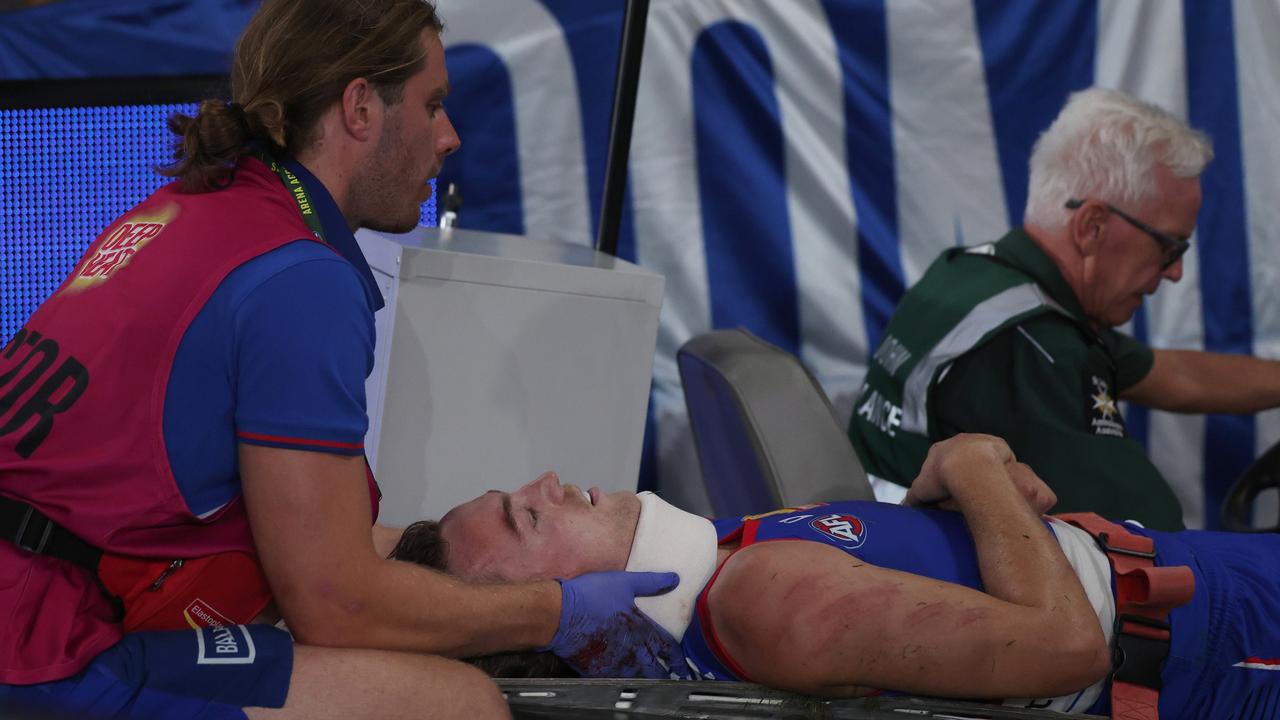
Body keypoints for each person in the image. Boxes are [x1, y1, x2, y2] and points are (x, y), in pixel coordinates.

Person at [0, 2, 683, 718]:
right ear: (360, 107)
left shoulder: (197, 207)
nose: (449, 137)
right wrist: (557, 612)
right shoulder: (301, 280)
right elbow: (335, 603)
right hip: (39, 643)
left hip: (35, 598)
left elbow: (314, 543)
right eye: (434, 104)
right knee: (458, 704)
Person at [396, 438, 1280, 719]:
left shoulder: (724, 568)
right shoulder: (762, 599)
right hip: (1221, 647)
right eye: (528, 518)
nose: (546, 487)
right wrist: (970, 465)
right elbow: (1066, 648)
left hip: (1191, 596)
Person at [848, 87, 1280, 531]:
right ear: (1092, 226)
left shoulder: (973, 275)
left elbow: (1176, 377)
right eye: (1170, 247)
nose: (1175, 273)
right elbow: (1150, 538)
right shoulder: (1033, 346)